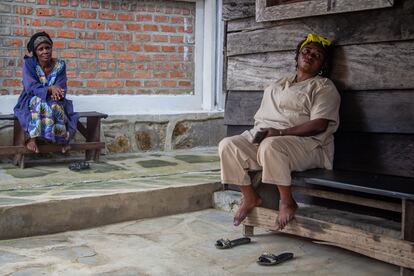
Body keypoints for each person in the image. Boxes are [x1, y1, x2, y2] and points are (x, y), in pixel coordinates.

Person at [219, 34, 340, 230]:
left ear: (323, 64)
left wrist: (280, 133)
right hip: (267, 139)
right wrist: (266, 132)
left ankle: (287, 201)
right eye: (306, 51)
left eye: (317, 55)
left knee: (271, 146)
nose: (309, 56)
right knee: (228, 145)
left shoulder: (323, 87)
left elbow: (320, 125)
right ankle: (250, 197)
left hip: (309, 146)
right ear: (297, 56)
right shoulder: (281, 82)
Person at [14, 31, 79, 154]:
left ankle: (62, 140)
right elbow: (30, 87)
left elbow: (61, 84)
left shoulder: (60, 65)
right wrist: (49, 89)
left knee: (56, 105)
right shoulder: (29, 64)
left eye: (48, 48)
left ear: (51, 48)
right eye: (40, 49)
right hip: (30, 98)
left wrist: (57, 92)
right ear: (35, 52)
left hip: (53, 98)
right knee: (39, 102)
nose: (45, 51)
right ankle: (32, 139)